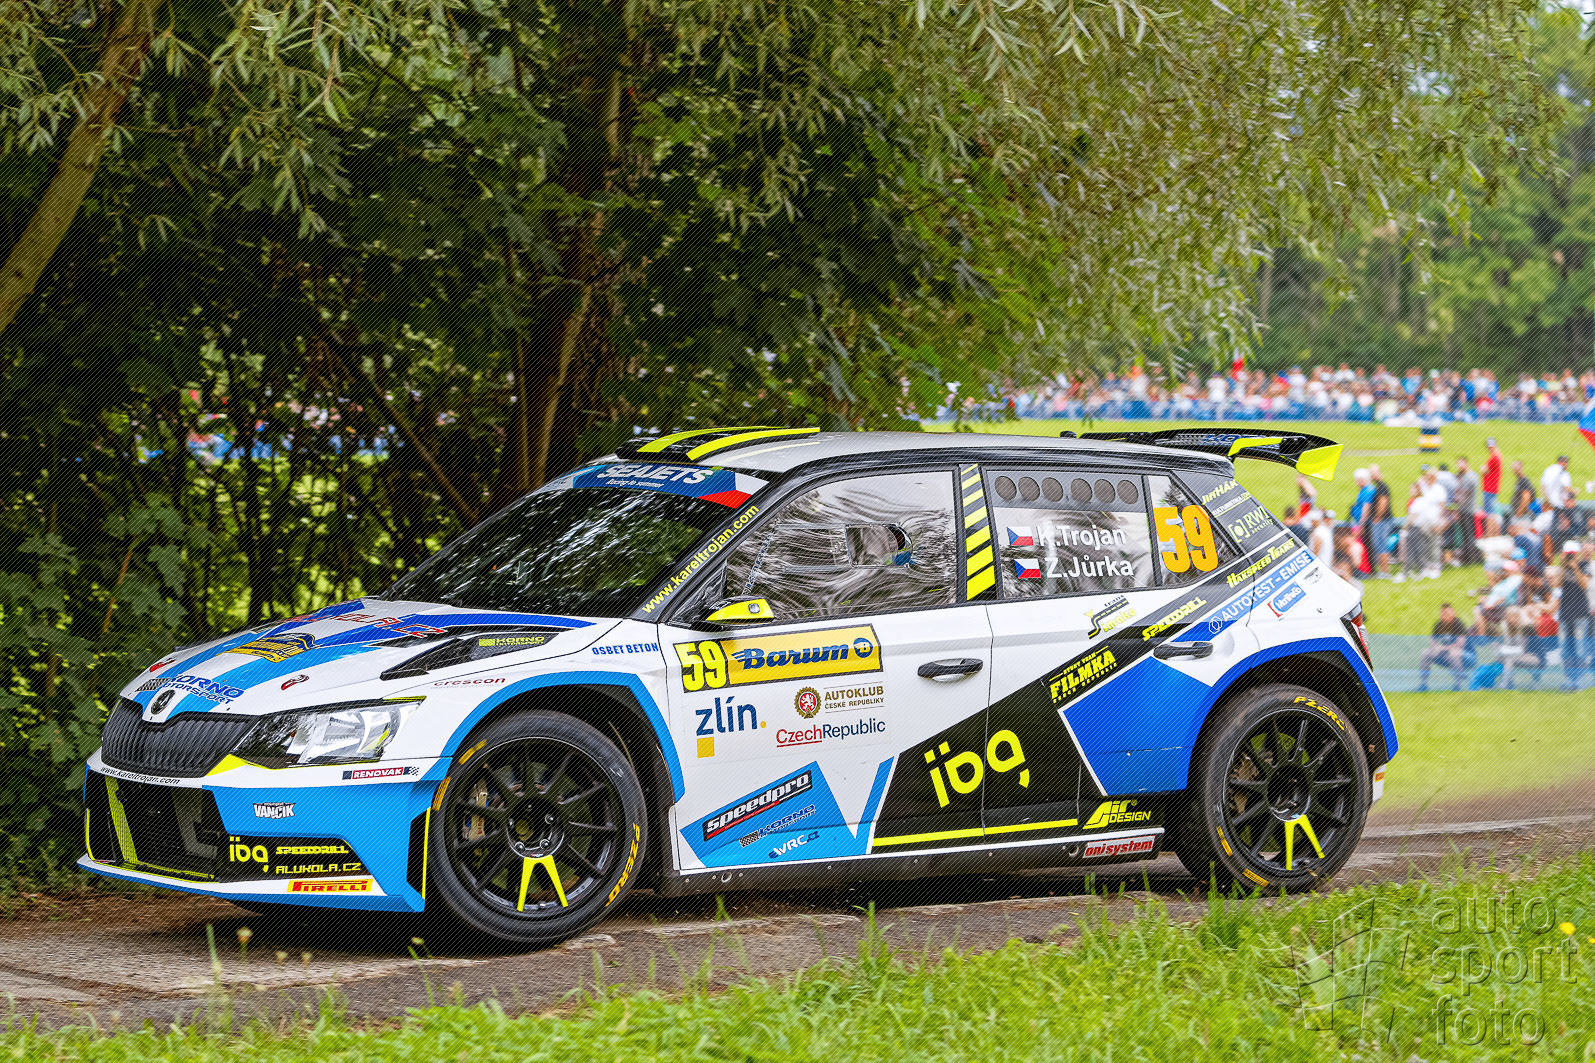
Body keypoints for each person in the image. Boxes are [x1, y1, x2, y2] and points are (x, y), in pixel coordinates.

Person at [1559, 540, 1593, 690]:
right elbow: (1558, 584)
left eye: (1572, 554)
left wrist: (1575, 568)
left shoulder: (1584, 565)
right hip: (1565, 611)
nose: (1570, 556)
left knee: (1579, 648)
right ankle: (1568, 680)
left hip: (1580, 612)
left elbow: (1584, 585)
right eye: (1568, 554)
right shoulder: (1563, 567)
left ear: (1577, 554)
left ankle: (1578, 681)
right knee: (1566, 648)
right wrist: (1563, 566)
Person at [1418, 603, 1469, 691]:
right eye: (1442, 613)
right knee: (1425, 653)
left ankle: (1458, 684)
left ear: (1453, 613)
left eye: (1447, 613)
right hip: (1444, 654)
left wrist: (1443, 648)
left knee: (1453, 653)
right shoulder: (1438, 624)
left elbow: (1460, 645)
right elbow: (1432, 642)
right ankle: (1423, 684)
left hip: (1465, 655)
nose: (1444, 616)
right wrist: (1437, 648)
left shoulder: (1459, 624)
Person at [1366, 464, 1394, 576]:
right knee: (1379, 545)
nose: (1371, 476)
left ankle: (1385, 571)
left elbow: (1383, 502)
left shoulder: (1382, 487)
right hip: (1381, 520)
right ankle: (1383, 571)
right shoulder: (1378, 486)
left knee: (1381, 545)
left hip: (1382, 520)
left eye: (1373, 473)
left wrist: (1377, 517)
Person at [1453, 455, 1481, 565]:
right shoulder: (1463, 476)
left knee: (1468, 535)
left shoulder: (1470, 477)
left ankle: (1469, 559)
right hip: (1463, 510)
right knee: (1465, 535)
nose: (1459, 466)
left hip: (1468, 511)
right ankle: (1466, 557)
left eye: (1460, 464)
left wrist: (1456, 502)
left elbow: (1465, 494)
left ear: (1466, 463)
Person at [1481, 438, 1503, 535]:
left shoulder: (1494, 457)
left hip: (1489, 488)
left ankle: (1490, 534)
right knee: (1492, 512)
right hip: (1492, 487)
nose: (1490, 449)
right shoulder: (1498, 455)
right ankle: (1494, 534)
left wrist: (1482, 469)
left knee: (1489, 514)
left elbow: (1484, 470)